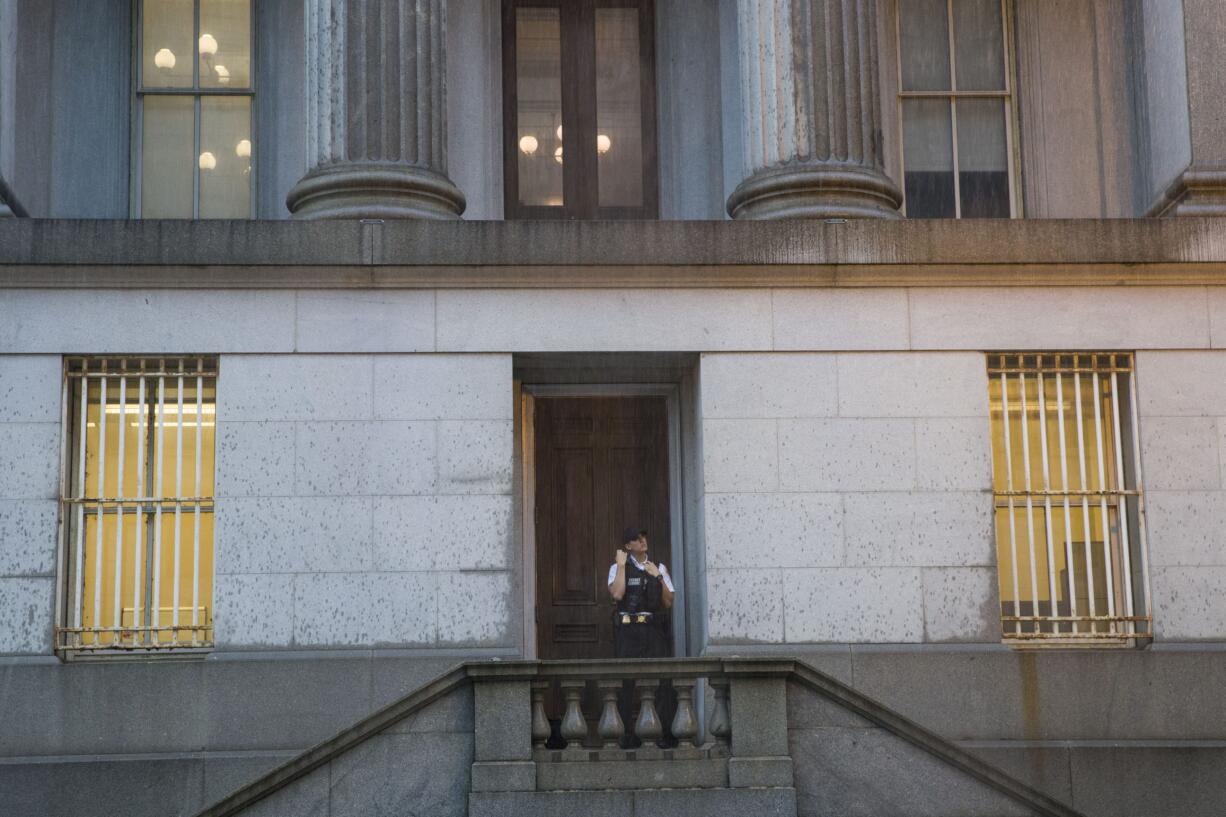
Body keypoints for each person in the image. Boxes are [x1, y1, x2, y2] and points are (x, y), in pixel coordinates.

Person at [607, 527, 674, 658]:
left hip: (653, 632)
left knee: (654, 675)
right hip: (627, 633)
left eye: (643, 537)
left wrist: (659, 576)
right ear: (628, 546)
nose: (643, 541)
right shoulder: (616, 568)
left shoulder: (659, 567)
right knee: (628, 676)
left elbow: (668, 603)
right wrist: (621, 566)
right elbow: (617, 595)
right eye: (637, 539)